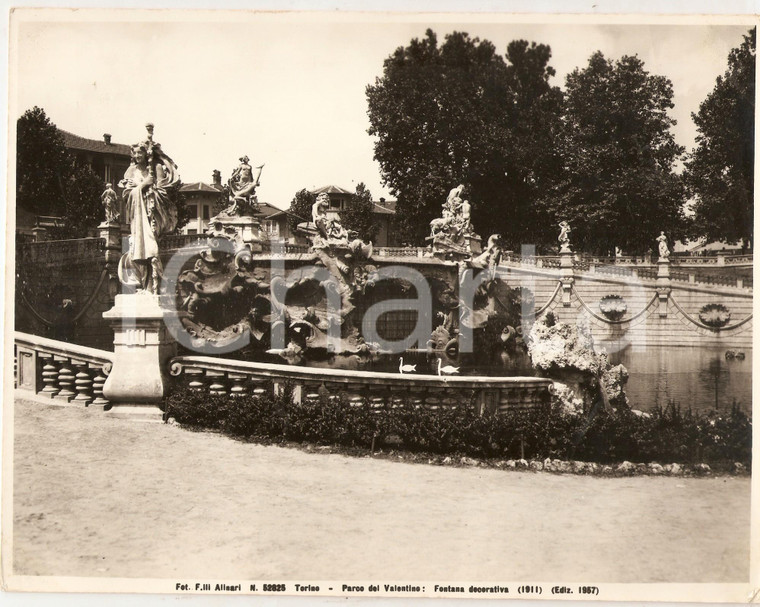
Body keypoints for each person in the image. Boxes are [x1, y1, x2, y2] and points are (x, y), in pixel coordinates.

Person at [118, 132, 179, 294]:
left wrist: (152, 190)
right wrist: (142, 186)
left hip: (153, 213)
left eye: (140, 152)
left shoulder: (156, 167)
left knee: (152, 249)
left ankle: (154, 287)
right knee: (138, 250)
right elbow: (126, 194)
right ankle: (143, 285)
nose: (137, 155)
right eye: (135, 152)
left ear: (146, 153)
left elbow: (162, 191)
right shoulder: (131, 171)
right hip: (137, 216)